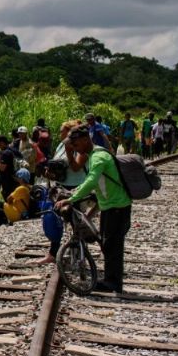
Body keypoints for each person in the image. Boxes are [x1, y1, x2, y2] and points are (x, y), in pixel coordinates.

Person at [55, 126, 133, 293]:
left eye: (75, 145)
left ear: (85, 140)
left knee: (112, 245)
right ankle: (111, 281)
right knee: (108, 243)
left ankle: (113, 283)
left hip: (117, 206)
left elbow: (91, 180)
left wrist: (71, 198)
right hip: (110, 206)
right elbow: (97, 183)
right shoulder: (93, 155)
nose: (74, 149)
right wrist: (77, 192)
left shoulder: (98, 157)